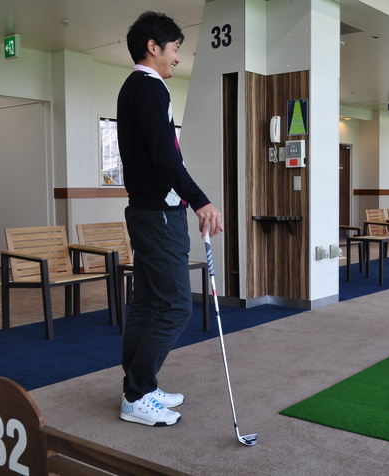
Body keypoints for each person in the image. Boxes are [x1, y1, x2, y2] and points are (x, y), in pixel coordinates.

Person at [117, 11, 223, 426]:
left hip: (148, 211)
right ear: (153, 47)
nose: (178, 57)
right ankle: (136, 394)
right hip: (159, 215)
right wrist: (201, 201)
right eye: (175, 48)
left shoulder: (134, 87)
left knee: (146, 303)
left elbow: (161, 155)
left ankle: (140, 387)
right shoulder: (150, 87)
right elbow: (166, 157)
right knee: (177, 305)